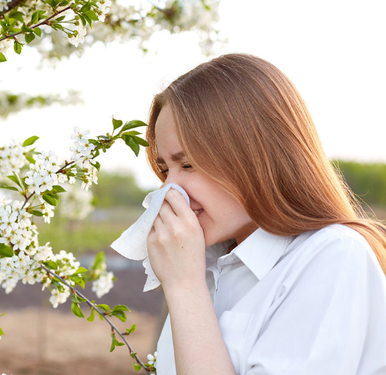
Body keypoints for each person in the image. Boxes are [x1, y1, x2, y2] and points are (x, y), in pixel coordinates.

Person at [145, 53, 386, 374]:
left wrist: (184, 288)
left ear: (255, 153)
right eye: (165, 169)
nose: (170, 189)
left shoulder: (332, 256)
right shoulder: (208, 264)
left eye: (187, 164)